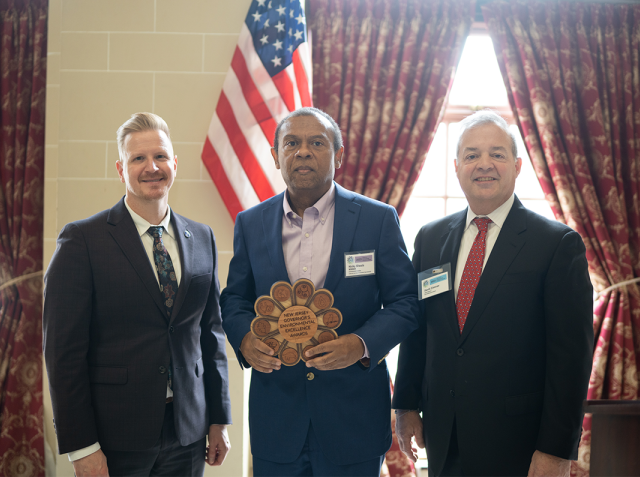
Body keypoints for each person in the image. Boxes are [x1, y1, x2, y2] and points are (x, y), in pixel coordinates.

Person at [392, 110, 593, 477]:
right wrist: (405, 405)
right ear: (456, 167)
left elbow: (571, 360)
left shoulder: (557, 244)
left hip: (519, 443)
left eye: (497, 154)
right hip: (443, 436)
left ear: (517, 166)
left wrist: (556, 450)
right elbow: (418, 329)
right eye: (472, 155)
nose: (484, 164)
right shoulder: (431, 238)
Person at [220, 107, 420, 476]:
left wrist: (359, 343)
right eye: (291, 143)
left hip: (354, 420)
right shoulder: (251, 223)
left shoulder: (377, 219)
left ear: (339, 154)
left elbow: (405, 302)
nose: (303, 151)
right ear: (276, 156)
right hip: (277, 420)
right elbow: (234, 299)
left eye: (317, 142)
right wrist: (246, 338)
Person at [43, 112, 232, 477]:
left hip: (188, 433)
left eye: (161, 156)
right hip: (114, 437)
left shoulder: (202, 237)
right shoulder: (81, 241)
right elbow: (63, 354)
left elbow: (211, 333)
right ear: (120, 168)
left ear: (174, 163)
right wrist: (82, 446)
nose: (152, 167)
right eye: (138, 158)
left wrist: (219, 418)